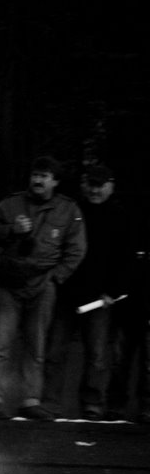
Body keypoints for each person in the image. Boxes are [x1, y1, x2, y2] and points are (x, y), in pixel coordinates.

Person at [0, 156, 86, 420]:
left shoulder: (68, 209)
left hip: (43, 284)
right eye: (35, 175)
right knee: (0, 343)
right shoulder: (11, 203)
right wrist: (11, 230)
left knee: (36, 345)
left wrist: (56, 277)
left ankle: (30, 399)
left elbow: (77, 249)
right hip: (9, 282)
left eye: (44, 176)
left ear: (55, 181)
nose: (38, 180)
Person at [42, 165, 127, 420]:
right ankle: (50, 401)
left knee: (97, 355)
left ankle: (92, 402)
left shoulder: (119, 215)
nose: (94, 190)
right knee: (55, 351)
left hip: (99, 298)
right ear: (83, 184)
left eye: (99, 185)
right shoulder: (71, 210)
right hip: (66, 293)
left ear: (110, 186)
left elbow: (124, 258)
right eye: (91, 184)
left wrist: (112, 292)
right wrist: (57, 281)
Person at [106, 171, 150, 423]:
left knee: (146, 360)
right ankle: (116, 404)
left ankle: (145, 406)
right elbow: (121, 259)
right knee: (121, 357)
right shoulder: (130, 217)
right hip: (128, 299)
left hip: (140, 298)